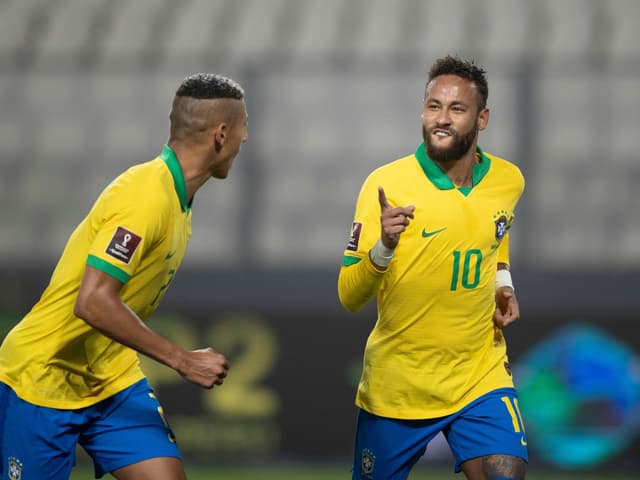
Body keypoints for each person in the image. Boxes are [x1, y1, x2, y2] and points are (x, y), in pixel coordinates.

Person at [0, 73, 248, 480]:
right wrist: (182, 359)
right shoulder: (145, 195)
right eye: (243, 127)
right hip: (42, 378)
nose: (246, 138)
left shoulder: (178, 196)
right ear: (221, 134)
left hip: (109, 376)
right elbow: (92, 301)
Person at [338, 55, 528, 480]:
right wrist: (384, 246)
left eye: (456, 109)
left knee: (506, 474)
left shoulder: (508, 180)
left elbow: (497, 232)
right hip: (400, 387)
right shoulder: (385, 185)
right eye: (433, 106)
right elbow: (349, 295)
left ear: (482, 119)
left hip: (479, 376)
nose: (441, 119)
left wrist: (503, 281)